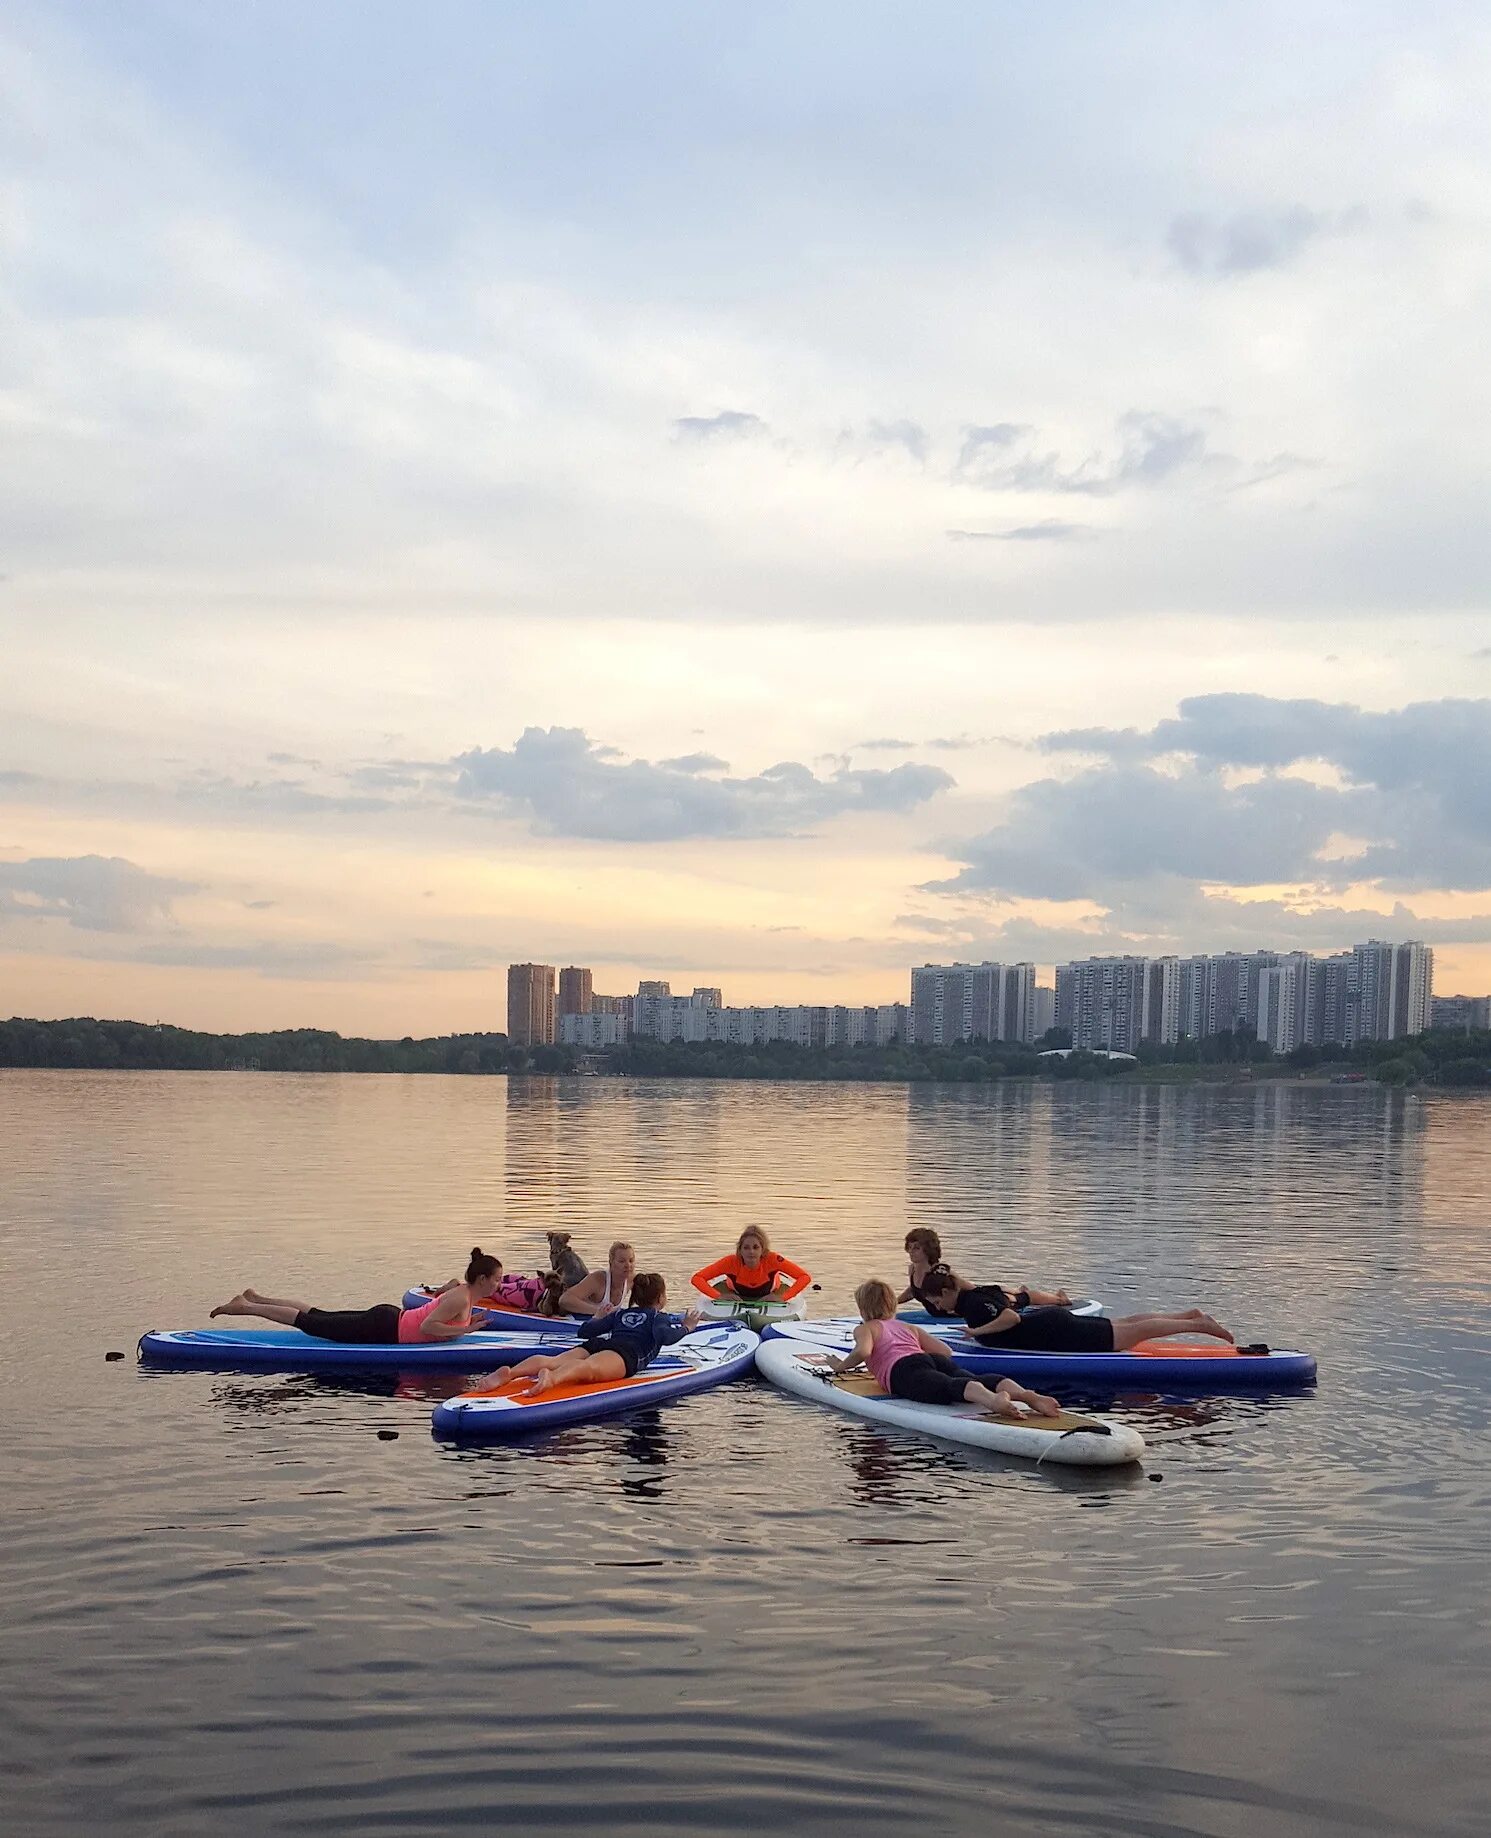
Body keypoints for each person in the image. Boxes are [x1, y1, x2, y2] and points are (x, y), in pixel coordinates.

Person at [825, 1279, 1062, 1417]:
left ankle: (993, 1402)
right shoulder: (907, 1327)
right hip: (928, 1359)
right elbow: (944, 1352)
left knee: (947, 1388)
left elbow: (863, 1351)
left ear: (863, 1309)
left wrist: (840, 1366)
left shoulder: (866, 1328)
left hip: (903, 1371)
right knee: (975, 1377)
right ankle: (1027, 1395)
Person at [209, 1248, 506, 1345]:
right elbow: (428, 1326)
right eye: (497, 1279)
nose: (500, 1284)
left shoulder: (464, 1292)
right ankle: (246, 1306)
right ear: (481, 1279)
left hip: (388, 1319)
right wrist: (465, 1329)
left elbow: (444, 1296)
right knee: (311, 1323)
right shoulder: (461, 1298)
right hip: (385, 1328)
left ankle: (257, 1297)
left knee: (319, 1315)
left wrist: (464, 1323)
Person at [918, 1265, 1234, 1353]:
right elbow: (1013, 1299)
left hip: (1056, 1331)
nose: (937, 1306)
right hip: (1053, 1324)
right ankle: (1187, 1316)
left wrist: (976, 1331)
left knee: (1133, 1332)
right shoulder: (981, 1292)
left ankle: (1200, 1326)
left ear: (948, 1291)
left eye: (936, 1300)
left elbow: (1010, 1317)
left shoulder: (972, 1305)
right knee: (1126, 1324)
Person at [484, 1272, 702, 1396]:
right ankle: (552, 1379)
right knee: (589, 1369)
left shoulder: (621, 1314)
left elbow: (585, 1332)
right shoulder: (658, 1317)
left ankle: (511, 1373)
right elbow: (665, 1337)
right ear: (661, 1298)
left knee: (556, 1359)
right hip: (625, 1354)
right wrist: (687, 1327)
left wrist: (597, 1317)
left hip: (602, 1343)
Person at [898, 1226, 1070, 1315]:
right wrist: (891, 1303)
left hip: (959, 1312)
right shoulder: (912, 1270)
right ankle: (1014, 1291)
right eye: (910, 1247)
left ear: (927, 1250)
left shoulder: (940, 1272)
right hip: (938, 1316)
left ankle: (1058, 1299)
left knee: (1019, 1299)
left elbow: (972, 1288)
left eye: (916, 1248)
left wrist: (991, 1302)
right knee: (1011, 1294)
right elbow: (913, 1292)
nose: (911, 1252)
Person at [691, 1228, 812, 1305]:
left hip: (770, 1291)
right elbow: (697, 1278)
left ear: (762, 1249)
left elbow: (804, 1277)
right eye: (746, 1248)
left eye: (755, 1247)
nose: (751, 1252)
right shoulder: (730, 1262)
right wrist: (719, 1296)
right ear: (740, 1250)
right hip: (736, 1292)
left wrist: (783, 1297)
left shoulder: (773, 1259)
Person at [560, 1240, 636, 1316]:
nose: (628, 1265)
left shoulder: (633, 1280)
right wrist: (597, 1311)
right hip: (582, 1319)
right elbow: (565, 1300)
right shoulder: (598, 1279)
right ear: (611, 1262)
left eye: (631, 1261)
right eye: (622, 1261)